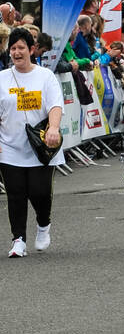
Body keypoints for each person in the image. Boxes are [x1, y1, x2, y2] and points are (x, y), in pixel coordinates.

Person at [0, 27, 65, 257]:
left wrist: (54, 129)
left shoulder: (45, 76)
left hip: (41, 147)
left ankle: (43, 224)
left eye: (21, 48)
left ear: (32, 50)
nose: (16, 52)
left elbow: (55, 106)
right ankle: (18, 240)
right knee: (15, 194)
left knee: (39, 192)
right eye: (13, 48)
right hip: (9, 147)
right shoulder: (2, 78)